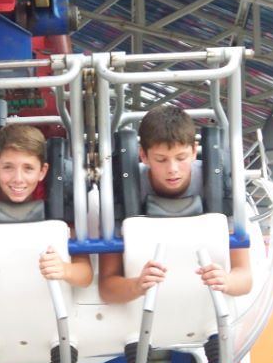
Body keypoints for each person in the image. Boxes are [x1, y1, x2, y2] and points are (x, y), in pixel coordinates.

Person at [98, 105, 252, 302]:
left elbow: (245, 278)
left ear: (194, 151)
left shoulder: (221, 188)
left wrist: (227, 281)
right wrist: (137, 285)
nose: (172, 169)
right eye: (161, 159)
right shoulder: (121, 192)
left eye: (181, 158)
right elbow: (107, 288)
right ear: (143, 155)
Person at [0, 124, 93, 299]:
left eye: (28, 168)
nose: (18, 179)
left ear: (42, 171)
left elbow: (85, 275)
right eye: (8, 167)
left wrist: (65, 269)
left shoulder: (60, 199)